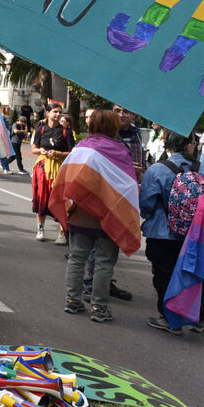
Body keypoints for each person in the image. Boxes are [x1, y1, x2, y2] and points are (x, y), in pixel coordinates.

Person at [53, 109, 138, 323]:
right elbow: (126, 185)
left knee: (77, 258)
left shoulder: (82, 148)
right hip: (109, 214)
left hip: (81, 214)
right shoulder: (120, 150)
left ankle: (72, 301)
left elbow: (67, 176)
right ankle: (99, 308)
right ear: (113, 127)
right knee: (104, 262)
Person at [139, 132, 204, 335]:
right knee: (194, 273)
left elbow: (146, 202)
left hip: (162, 232)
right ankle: (198, 318)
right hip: (195, 235)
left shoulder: (157, 169)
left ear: (168, 145)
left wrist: (150, 216)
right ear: (190, 146)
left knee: (164, 274)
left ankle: (169, 319)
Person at [31, 103, 74, 243]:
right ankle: (40, 229)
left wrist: (59, 154)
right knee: (41, 198)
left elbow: (72, 152)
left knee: (60, 200)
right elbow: (34, 149)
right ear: (47, 113)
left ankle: (62, 232)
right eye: (55, 111)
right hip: (42, 168)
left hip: (60, 168)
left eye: (60, 112)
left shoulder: (66, 132)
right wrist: (42, 151)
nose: (57, 114)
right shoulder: (41, 129)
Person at [113, 105, 146, 182]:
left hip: (135, 184)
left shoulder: (137, 133)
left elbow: (141, 158)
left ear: (133, 115)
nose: (121, 115)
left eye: (126, 112)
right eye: (117, 111)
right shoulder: (106, 134)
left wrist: (142, 175)